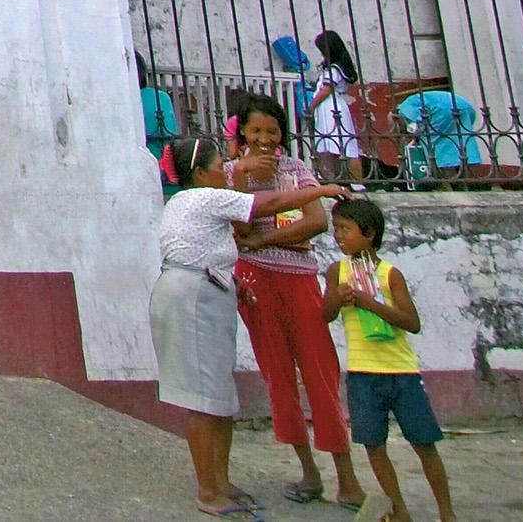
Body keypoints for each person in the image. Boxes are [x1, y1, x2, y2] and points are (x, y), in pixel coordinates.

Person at [155, 132, 340, 518]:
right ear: (201, 172)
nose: (226, 169)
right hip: (192, 298)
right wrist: (320, 189)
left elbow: (206, 248)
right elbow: (267, 202)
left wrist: (234, 283)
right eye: (219, 164)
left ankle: (221, 482)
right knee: (204, 401)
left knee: (218, 396)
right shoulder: (203, 197)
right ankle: (208, 490)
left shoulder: (193, 203)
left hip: (207, 289)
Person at [224, 95, 364, 510]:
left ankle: (347, 476)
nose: (265, 139)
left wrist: (263, 239)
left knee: (320, 368)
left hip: (300, 278)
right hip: (255, 282)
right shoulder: (232, 173)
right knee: (278, 373)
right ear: (243, 134)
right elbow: (235, 223)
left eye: (272, 131)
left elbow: (316, 221)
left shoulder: (297, 169)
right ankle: (308, 471)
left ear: (282, 134)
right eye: (256, 132)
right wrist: (244, 175)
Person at [322, 198, 454, 522]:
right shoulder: (337, 272)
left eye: (346, 230)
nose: (338, 236)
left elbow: (412, 322)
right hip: (362, 372)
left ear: (368, 234)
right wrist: (337, 299)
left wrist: (368, 302)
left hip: (401, 372)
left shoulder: (389, 274)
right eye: (336, 229)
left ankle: (446, 512)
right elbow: (324, 315)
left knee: (424, 443)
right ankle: (399, 509)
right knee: (373, 445)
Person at [306, 30, 366, 180]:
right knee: (329, 144)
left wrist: (311, 106)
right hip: (330, 107)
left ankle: (354, 181)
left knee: (345, 145)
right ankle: (335, 179)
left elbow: (326, 89)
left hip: (331, 107)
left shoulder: (334, 69)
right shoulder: (335, 67)